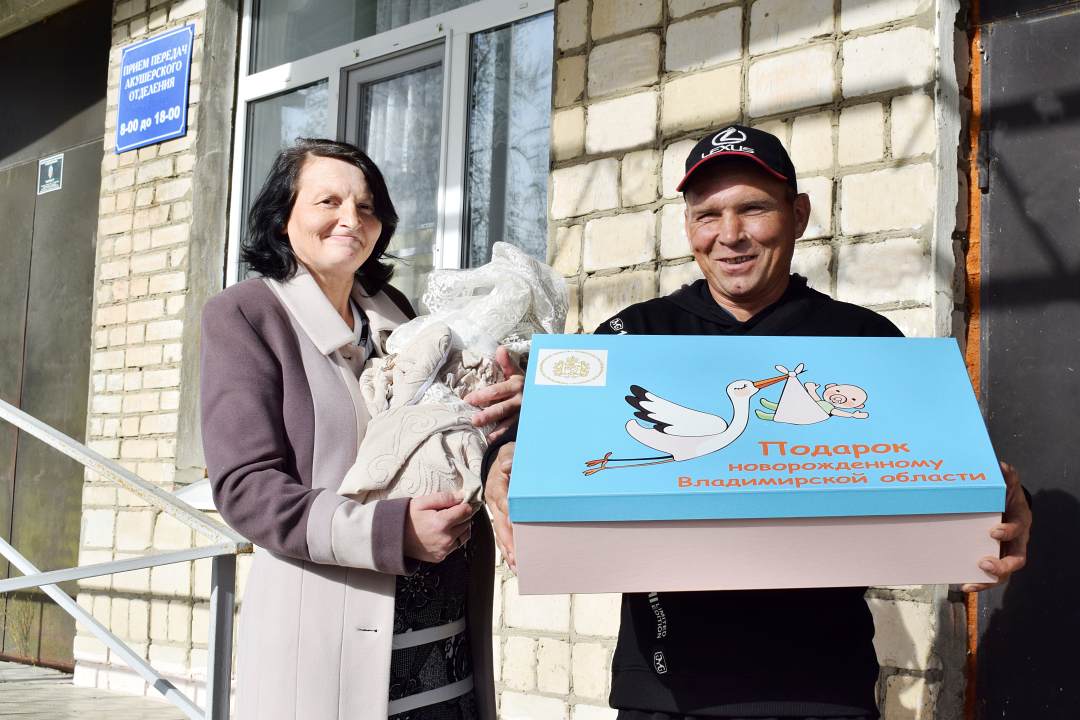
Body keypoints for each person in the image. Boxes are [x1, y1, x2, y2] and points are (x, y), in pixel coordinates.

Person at [479, 125, 1033, 719]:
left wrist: (1000, 508)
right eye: (707, 215)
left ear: (799, 215)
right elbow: (558, 441)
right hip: (666, 693)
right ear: (688, 227)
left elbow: (946, 464)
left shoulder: (864, 341)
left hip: (824, 690)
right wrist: (502, 457)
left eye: (753, 209)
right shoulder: (631, 336)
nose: (730, 235)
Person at [200, 138, 517, 720]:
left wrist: (502, 415)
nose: (351, 218)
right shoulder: (246, 314)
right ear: (283, 217)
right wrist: (389, 531)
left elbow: (446, 432)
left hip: (446, 629)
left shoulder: (403, 316)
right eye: (328, 201)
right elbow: (245, 488)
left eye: (367, 206)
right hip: (327, 632)